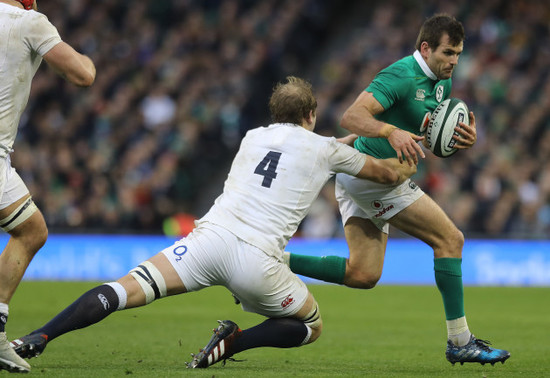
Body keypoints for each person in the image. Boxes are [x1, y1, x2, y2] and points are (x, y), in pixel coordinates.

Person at [9, 76, 416, 369]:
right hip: (258, 262)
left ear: (276, 113)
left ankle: (39, 335)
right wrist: (411, 154)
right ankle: (235, 341)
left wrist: (334, 145)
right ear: (312, 114)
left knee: (122, 290)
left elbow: (309, 150)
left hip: (208, 241)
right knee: (310, 325)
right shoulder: (325, 149)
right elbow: (382, 174)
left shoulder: (254, 136)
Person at [285, 14, 510, 366]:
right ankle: (460, 341)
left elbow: (426, 136)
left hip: (361, 172)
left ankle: (272, 260)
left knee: (364, 274)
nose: (454, 61)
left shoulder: (442, 83)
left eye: (458, 54)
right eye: (448, 52)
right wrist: (390, 132)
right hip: (374, 176)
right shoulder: (401, 75)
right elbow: (351, 116)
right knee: (450, 240)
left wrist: (458, 138)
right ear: (425, 48)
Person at [0, 0, 96, 373]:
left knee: (31, 229)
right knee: (31, 231)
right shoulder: (29, 22)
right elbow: (82, 75)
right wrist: (89, 58)